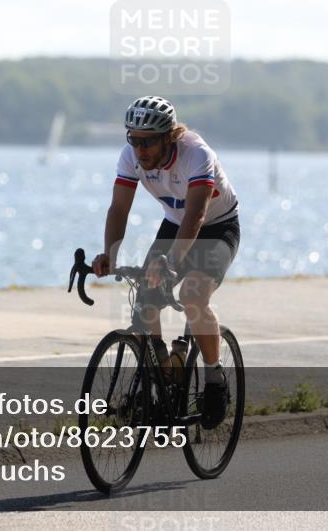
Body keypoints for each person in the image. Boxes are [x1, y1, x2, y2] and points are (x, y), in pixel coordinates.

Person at [92, 96, 240, 429]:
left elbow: (197, 214)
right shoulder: (131, 156)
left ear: (168, 137)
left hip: (216, 226)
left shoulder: (196, 154)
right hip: (176, 223)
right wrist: (110, 255)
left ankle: (215, 380)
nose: (140, 149)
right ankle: (160, 384)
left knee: (192, 294)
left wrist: (172, 263)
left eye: (148, 142)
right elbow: (119, 209)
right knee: (146, 298)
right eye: (134, 140)